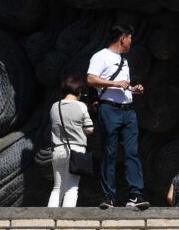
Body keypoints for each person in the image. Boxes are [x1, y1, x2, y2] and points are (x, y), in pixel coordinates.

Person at [87, 23, 149, 209]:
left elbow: (122, 86)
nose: (131, 42)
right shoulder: (100, 56)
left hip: (128, 110)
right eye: (130, 38)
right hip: (109, 110)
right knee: (109, 152)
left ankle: (135, 195)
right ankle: (109, 196)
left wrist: (133, 89)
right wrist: (115, 83)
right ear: (122, 38)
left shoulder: (125, 61)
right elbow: (91, 79)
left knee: (132, 152)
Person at [47, 75, 95, 207]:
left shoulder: (54, 106)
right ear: (79, 91)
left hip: (57, 150)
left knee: (57, 187)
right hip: (76, 151)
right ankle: (66, 218)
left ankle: (49, 216)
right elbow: (89, 129)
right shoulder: (81, 106)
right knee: (72, 188)